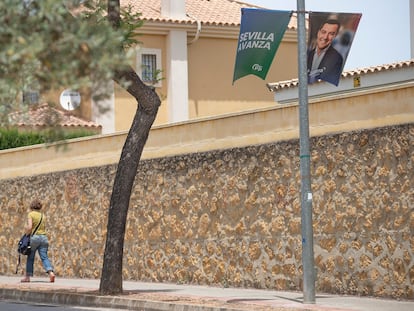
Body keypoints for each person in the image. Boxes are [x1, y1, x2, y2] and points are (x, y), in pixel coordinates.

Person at [21, 199, 55, 283]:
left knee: (30, 257)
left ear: (32, 206)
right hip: (44, 238)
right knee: (44, 257)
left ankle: (27, 277)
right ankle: (50, 272)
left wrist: (26, 234)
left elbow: (29, 227)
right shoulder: (43, 215)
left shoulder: (31, 214)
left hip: (34, 238)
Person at [307, 19, 343, 86]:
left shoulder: (336, 58)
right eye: (323, 32)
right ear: (318, 32)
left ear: (335, 36)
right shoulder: (308, 55)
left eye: (331, 34)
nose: (325, 37)